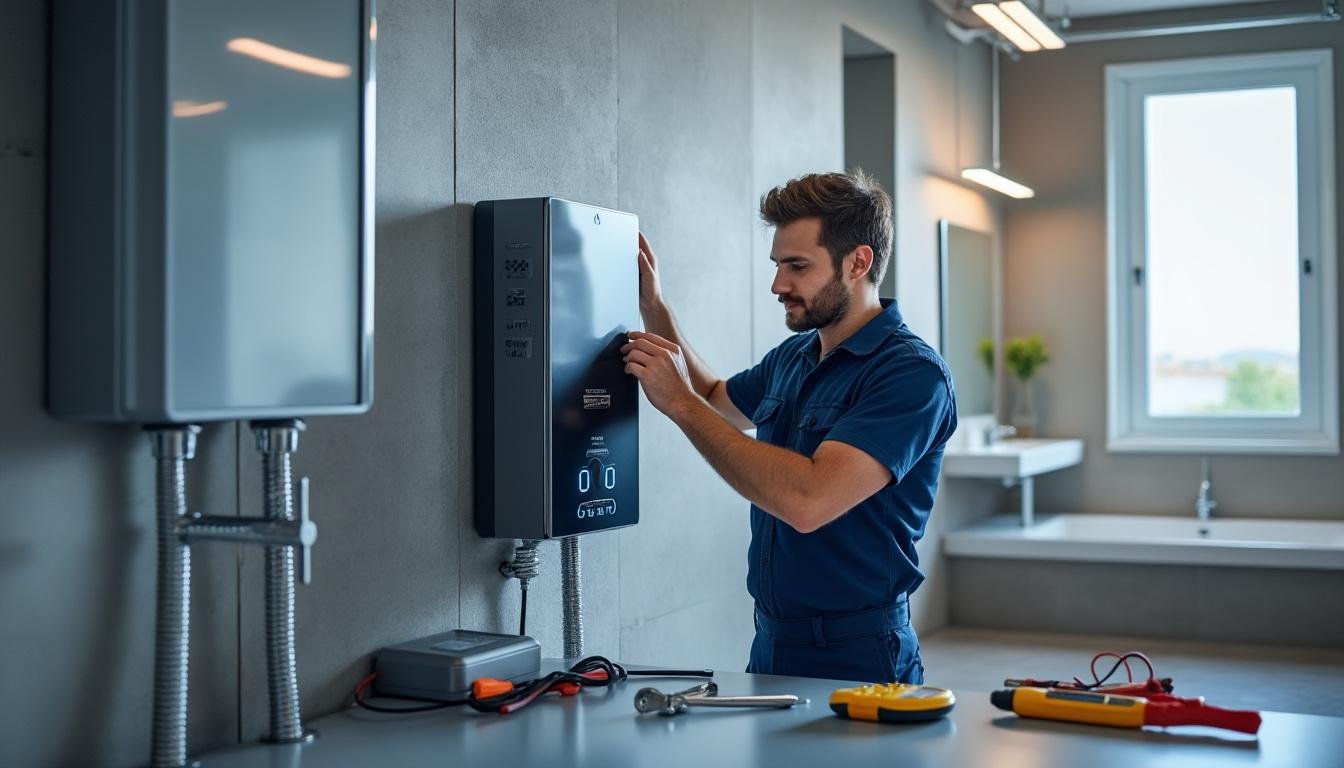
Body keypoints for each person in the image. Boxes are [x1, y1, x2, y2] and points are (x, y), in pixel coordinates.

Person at [621, 170, 957, 683]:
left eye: (797, 266)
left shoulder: (911, 374)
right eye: (779, 265)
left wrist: (680, 405)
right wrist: (655, 308)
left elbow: (809, 501)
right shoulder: (796, 355)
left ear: (857, 263)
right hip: (772, 643)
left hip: (860, 654)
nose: (779, 285)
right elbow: (717, 400)